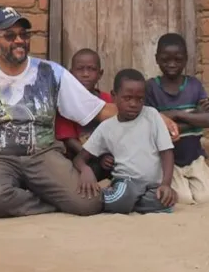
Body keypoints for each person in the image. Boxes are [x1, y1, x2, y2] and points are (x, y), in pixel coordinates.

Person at [0, 7, 181, 218]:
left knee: (88, 203)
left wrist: (154, 114)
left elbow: (98, 110)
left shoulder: (51, 72)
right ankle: (50, 201)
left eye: (24, 34)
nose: (19, 40)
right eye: (10, 35)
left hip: (43, 154)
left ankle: (46, 196)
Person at [76, 69, 177, 214]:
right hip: (127, 182)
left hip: (152, 185)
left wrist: (166, 184)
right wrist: (86, 170)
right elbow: (80, 159)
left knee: (166, 201)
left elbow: (167, 152)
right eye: (127, 98)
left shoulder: (152, 116)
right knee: (125, 195)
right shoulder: (107, 127)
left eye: (140, 99)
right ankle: (104, 199)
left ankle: (128, 203)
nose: (134, 104)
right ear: (114, 96)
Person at [145, 33, 209, 205]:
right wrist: (195, 115)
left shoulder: (194, 85)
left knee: (206, 198)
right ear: (157, 59)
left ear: (186, 59)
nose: (172, 64)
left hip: (194, 156)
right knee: (184, 198)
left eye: (178, 59)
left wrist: (176, 114)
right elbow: (152, 124)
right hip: (167, 160)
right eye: (166, 59)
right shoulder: (151, 88)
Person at [55, 48, 114, 181]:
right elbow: (70, 140)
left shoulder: (108, 100)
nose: (85, 74)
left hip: (107, 156)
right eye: (80, 69)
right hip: (81, 156)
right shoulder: (66, 102)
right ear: (70, 74)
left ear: (100, 74)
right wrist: (98, 156)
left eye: (91, 69)